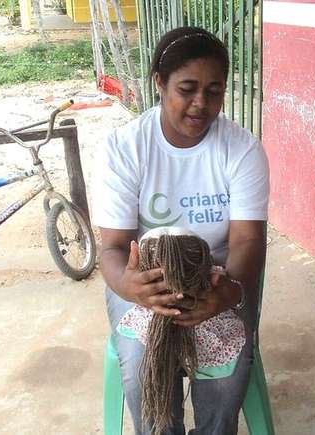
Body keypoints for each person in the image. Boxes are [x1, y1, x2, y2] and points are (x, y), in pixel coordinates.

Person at [93, 26, 269, 435]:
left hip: (218, 273)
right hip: (144, 274)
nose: (200, 104)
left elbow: (247, 240)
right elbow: (114, 247)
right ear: (160, 82)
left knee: (226, 370)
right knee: (141, 364)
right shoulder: (125, 148)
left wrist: (227, 294)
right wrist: (132, 286)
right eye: (187, 88)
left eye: (214, 91)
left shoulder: (241, 149)